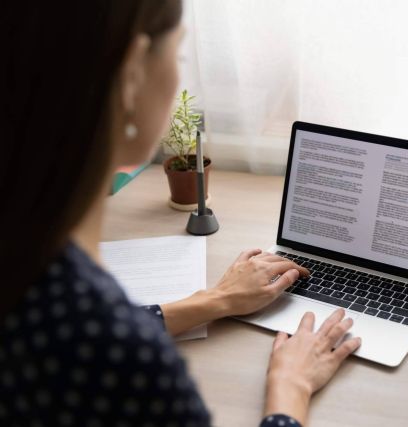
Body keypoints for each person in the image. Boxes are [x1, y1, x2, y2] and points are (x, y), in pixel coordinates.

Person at [0, 1, 361, 426]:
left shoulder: (32, 266)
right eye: (179, 56)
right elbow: (96, 339)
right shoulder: (127, 362)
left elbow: (69, 337)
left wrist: (215, 300)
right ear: (132, 76)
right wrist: (291, 388)